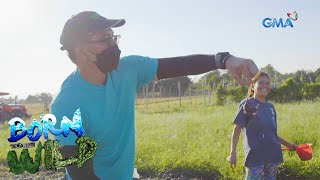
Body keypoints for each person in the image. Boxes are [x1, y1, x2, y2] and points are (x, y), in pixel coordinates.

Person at [51, 11, 259, 179]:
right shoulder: (66, 104)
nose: (113, 45)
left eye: (113, 37)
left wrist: (224, 59)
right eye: (104, 39)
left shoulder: (127, 69)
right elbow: (79, 172)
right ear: (78, 48)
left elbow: (178, 65)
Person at [226, 71, 296, 180]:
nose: (265, 86)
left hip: (273, 156)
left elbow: (272, 134)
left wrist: (288, 144)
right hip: (255, 158)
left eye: (267, 83)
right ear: (253, 85)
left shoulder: (270, 107)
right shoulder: (247, 104)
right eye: (261, 83)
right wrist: (232, 153)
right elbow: (236, 130)